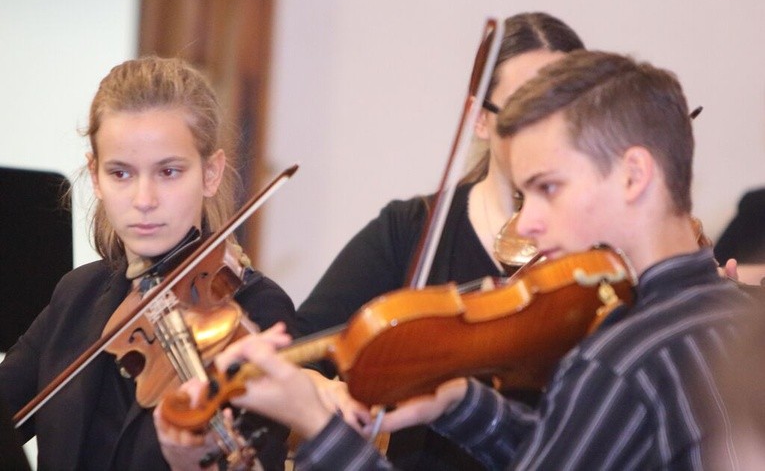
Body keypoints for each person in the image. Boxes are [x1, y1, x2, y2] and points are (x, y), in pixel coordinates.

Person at [157, 50, 755, 470]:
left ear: (632, 175)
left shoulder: (617, 363)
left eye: (549, 188)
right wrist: (464, 404)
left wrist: (321, 431)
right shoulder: (736, 316)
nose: (528, 223)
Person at [294, 12, 585, 470]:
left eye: (568, 111)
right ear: (479, 119)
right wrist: (329, 390)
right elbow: (306, 349)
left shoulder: (599, 255)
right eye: (525, 112)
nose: (548, 134)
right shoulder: (411, 231)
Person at [0, 57, 297, 470]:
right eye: (121, 173)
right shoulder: (78, 294)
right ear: (96, 175)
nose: (143, 199)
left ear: (210, 173)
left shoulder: (256, 309)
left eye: (169, 172)